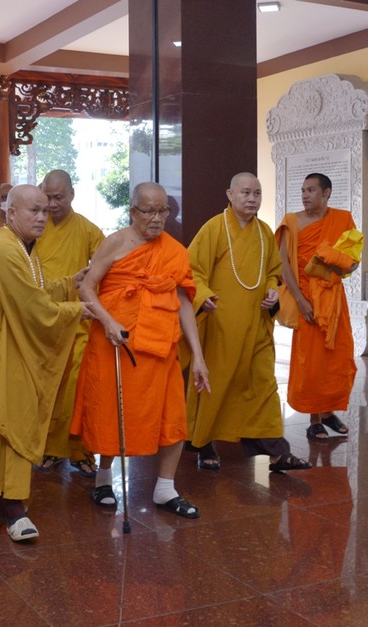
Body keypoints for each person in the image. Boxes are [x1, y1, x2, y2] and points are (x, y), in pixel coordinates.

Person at [72, 182, 210, 519]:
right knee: (113, 410)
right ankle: (103, 478)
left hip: (161, 345)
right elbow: (88, 288)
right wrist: (106, 321)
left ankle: (165, 487)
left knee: (171, 414)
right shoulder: (115, 243)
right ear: (133, 211)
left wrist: (199, 357)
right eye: (148, 211)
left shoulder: (175, 250)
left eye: (162, 211)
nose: (156, 218)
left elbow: (183, 301)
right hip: (117, 343)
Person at [0, 184, 88, 541]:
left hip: (10, 346)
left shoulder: (23, 249)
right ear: (10, 212)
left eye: (45, 211)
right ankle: (10, 504)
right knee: (2, 422)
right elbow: (34, 309)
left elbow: (36, 290)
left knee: (9, 417)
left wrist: (69, 284)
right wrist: (79, 310)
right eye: (33, 211)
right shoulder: (4, 249)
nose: (41, 217)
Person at [186, 173, 311, 472]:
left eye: (257, 193)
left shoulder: (264, 231)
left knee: (263, 385)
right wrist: (203, 296)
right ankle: (203, 444)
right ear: (230, 194)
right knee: (214, 384)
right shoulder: (214, 229)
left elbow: (272, 271)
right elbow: (191, 270)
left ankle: (277, 452)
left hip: (256, 325)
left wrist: (271, 289)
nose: (252, 198)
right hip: (221, 325)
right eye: (245, 192)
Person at [276, 173, 358, 441]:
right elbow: (284, 265)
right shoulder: (292, 222)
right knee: (310, 360)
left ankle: (328, 411)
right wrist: (300, 300)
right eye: (303, 190)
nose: (305, 195)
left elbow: (352, 261)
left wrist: (334, 261)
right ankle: (314, 420)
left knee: (337, 355)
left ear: (327, 193)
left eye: (311, 190)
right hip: (305, 297)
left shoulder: (342, 219)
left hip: (332, 298)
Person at [34, 169, 104, 478]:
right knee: (45, 392)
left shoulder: (89, 231)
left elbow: (104, 273)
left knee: (78, 391)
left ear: (72, 194)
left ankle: (81, 450)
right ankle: (48, 447)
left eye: (58, 197)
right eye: (46, 197)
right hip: (41, 324)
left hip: (78, 325)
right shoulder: (32, 227)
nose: (51, 204)